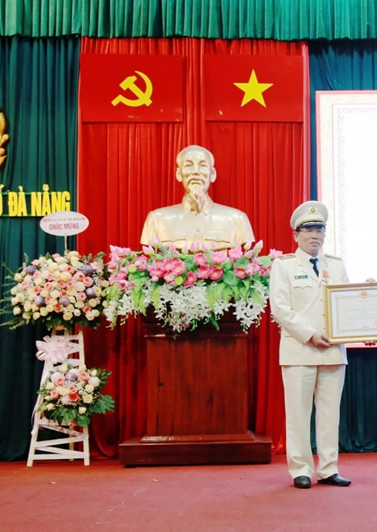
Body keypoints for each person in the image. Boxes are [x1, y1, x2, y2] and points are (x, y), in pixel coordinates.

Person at [269, 200, 352, 489]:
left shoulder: (336, 266)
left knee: (330, 415)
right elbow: (280, 308)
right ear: (296, 235)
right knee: (298, 414)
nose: (315, 235)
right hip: (299, 350)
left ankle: (329, 469)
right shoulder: (283, 266)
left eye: (319, 230)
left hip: (332, 351)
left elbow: (347, 305)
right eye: (308, 230)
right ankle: (301, 469)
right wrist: (310, 334)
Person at [139, 144, 255, 251]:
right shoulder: (157, 219)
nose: (196, 172)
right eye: (188, 165)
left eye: (202, 165)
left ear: (212, 174)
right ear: (179, 174)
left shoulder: (237, 219)